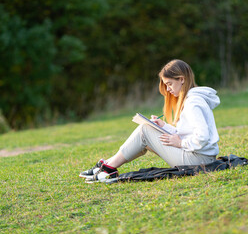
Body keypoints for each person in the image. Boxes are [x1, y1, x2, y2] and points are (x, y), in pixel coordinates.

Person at [79, 59, 220, 183]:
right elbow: (187, 133)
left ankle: (108, 167)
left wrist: (180, 143)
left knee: (144, 130)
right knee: (147, 131)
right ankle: (109, 164)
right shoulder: (191, 100)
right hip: (199, 158)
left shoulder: (192, 103)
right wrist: (164, 126)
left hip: (199, 161)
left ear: (181, 79)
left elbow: (202, 136)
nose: (168, 89)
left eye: (169, 84)